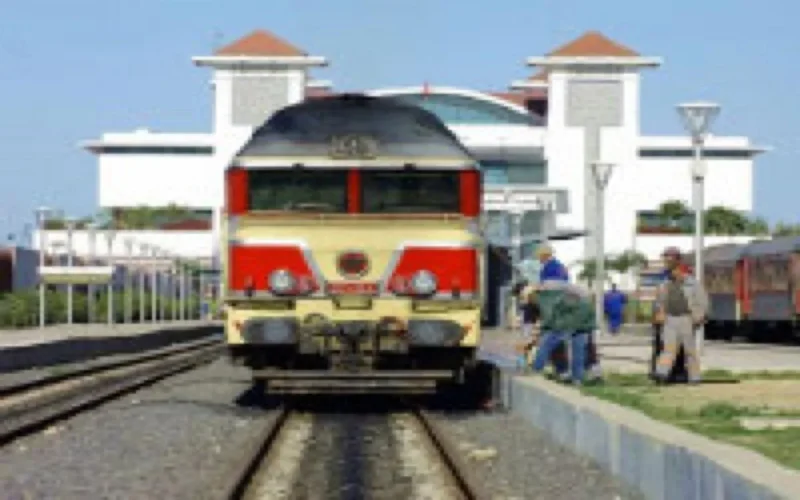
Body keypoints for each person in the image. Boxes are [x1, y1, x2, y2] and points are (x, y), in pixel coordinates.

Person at [652, 247, 709, 384]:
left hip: (686, 319)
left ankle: (695, 377)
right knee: (669, 348)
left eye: (670, 259)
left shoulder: (692, 284)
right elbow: (659, 301)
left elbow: (702, 301)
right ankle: (661, 373)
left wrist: (698, 317)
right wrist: (659, 313)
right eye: (666, 259)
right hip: (670, 319)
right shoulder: (664, 285)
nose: (667, 263)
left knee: (689, 350)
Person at [531, 281, 595, 384]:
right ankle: (577, 379)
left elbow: (554, 313)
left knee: (546, 345)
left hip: (565, 326)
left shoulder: (556, 297)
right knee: (578, 353)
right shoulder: (584, 302)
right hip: (581, 327)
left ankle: (536, 369)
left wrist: (551, 325)